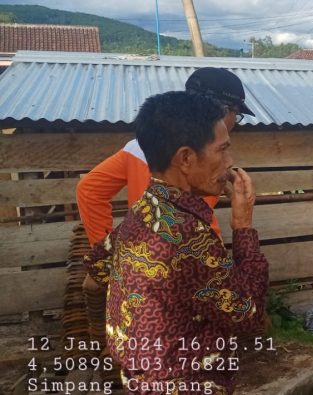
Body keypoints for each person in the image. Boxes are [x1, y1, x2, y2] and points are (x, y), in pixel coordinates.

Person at [83, 91, 268, 394]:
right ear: (185, 158)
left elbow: (97, 264)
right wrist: (244, 227)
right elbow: (246, 314)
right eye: (222, 150)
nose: (229, 163)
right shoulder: (188, 236)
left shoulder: (142, 212)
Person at [76, 67, 255, 246]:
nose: (235, 122)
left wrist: (104, 247)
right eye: (236, 114)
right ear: (221, 111)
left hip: (143, 254)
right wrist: (243, 227)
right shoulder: (201, 158)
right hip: (195, 254)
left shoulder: (141, 146)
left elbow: (89, 190)